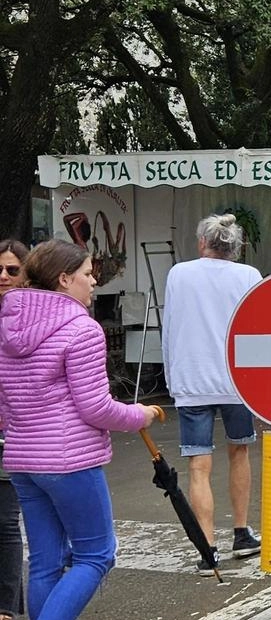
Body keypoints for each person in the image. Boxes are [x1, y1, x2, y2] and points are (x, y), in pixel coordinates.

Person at [0, 239, 158, 619]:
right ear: (65, 278)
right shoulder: (81, 329)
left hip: (22, 460)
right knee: (96, 555)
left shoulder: (7, 327)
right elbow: (96, 408)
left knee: (45, 562)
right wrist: (140, 414)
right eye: (88, 274)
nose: (93, 282)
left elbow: (5, 407)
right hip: (69, 461)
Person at [163, 214, 264, 576]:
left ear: (203, 242)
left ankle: (207, 549)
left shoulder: (179, 274)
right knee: (240, 452)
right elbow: (258, 327)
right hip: (237, 380)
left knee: (197, 465)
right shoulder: (249, 276)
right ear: (235, 247)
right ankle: (241, 532)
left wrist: (172, 376)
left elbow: (170, 325)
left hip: (192, 377)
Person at [0, 240, 27, 620]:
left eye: (11, 270)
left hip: (16, 430)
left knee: (5, 521)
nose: (3, 277)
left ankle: (6, 607)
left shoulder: (31, 318)